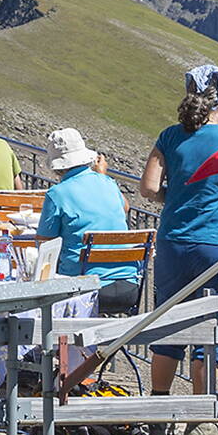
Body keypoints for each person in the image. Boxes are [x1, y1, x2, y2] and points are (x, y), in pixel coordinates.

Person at [138, 64, 218, 411]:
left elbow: (148, 188)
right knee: (216, 331)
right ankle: (201, 416)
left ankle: (158, 409)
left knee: (168, 322)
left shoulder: (169, 136)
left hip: (174, 241)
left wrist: (173, 197)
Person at [40, 128, 139, 312]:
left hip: (82, 289)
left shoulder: (57, 194)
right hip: (129, 287)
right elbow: (125, 207)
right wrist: (101, 176)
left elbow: (45, 244)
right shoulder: (107, 182)